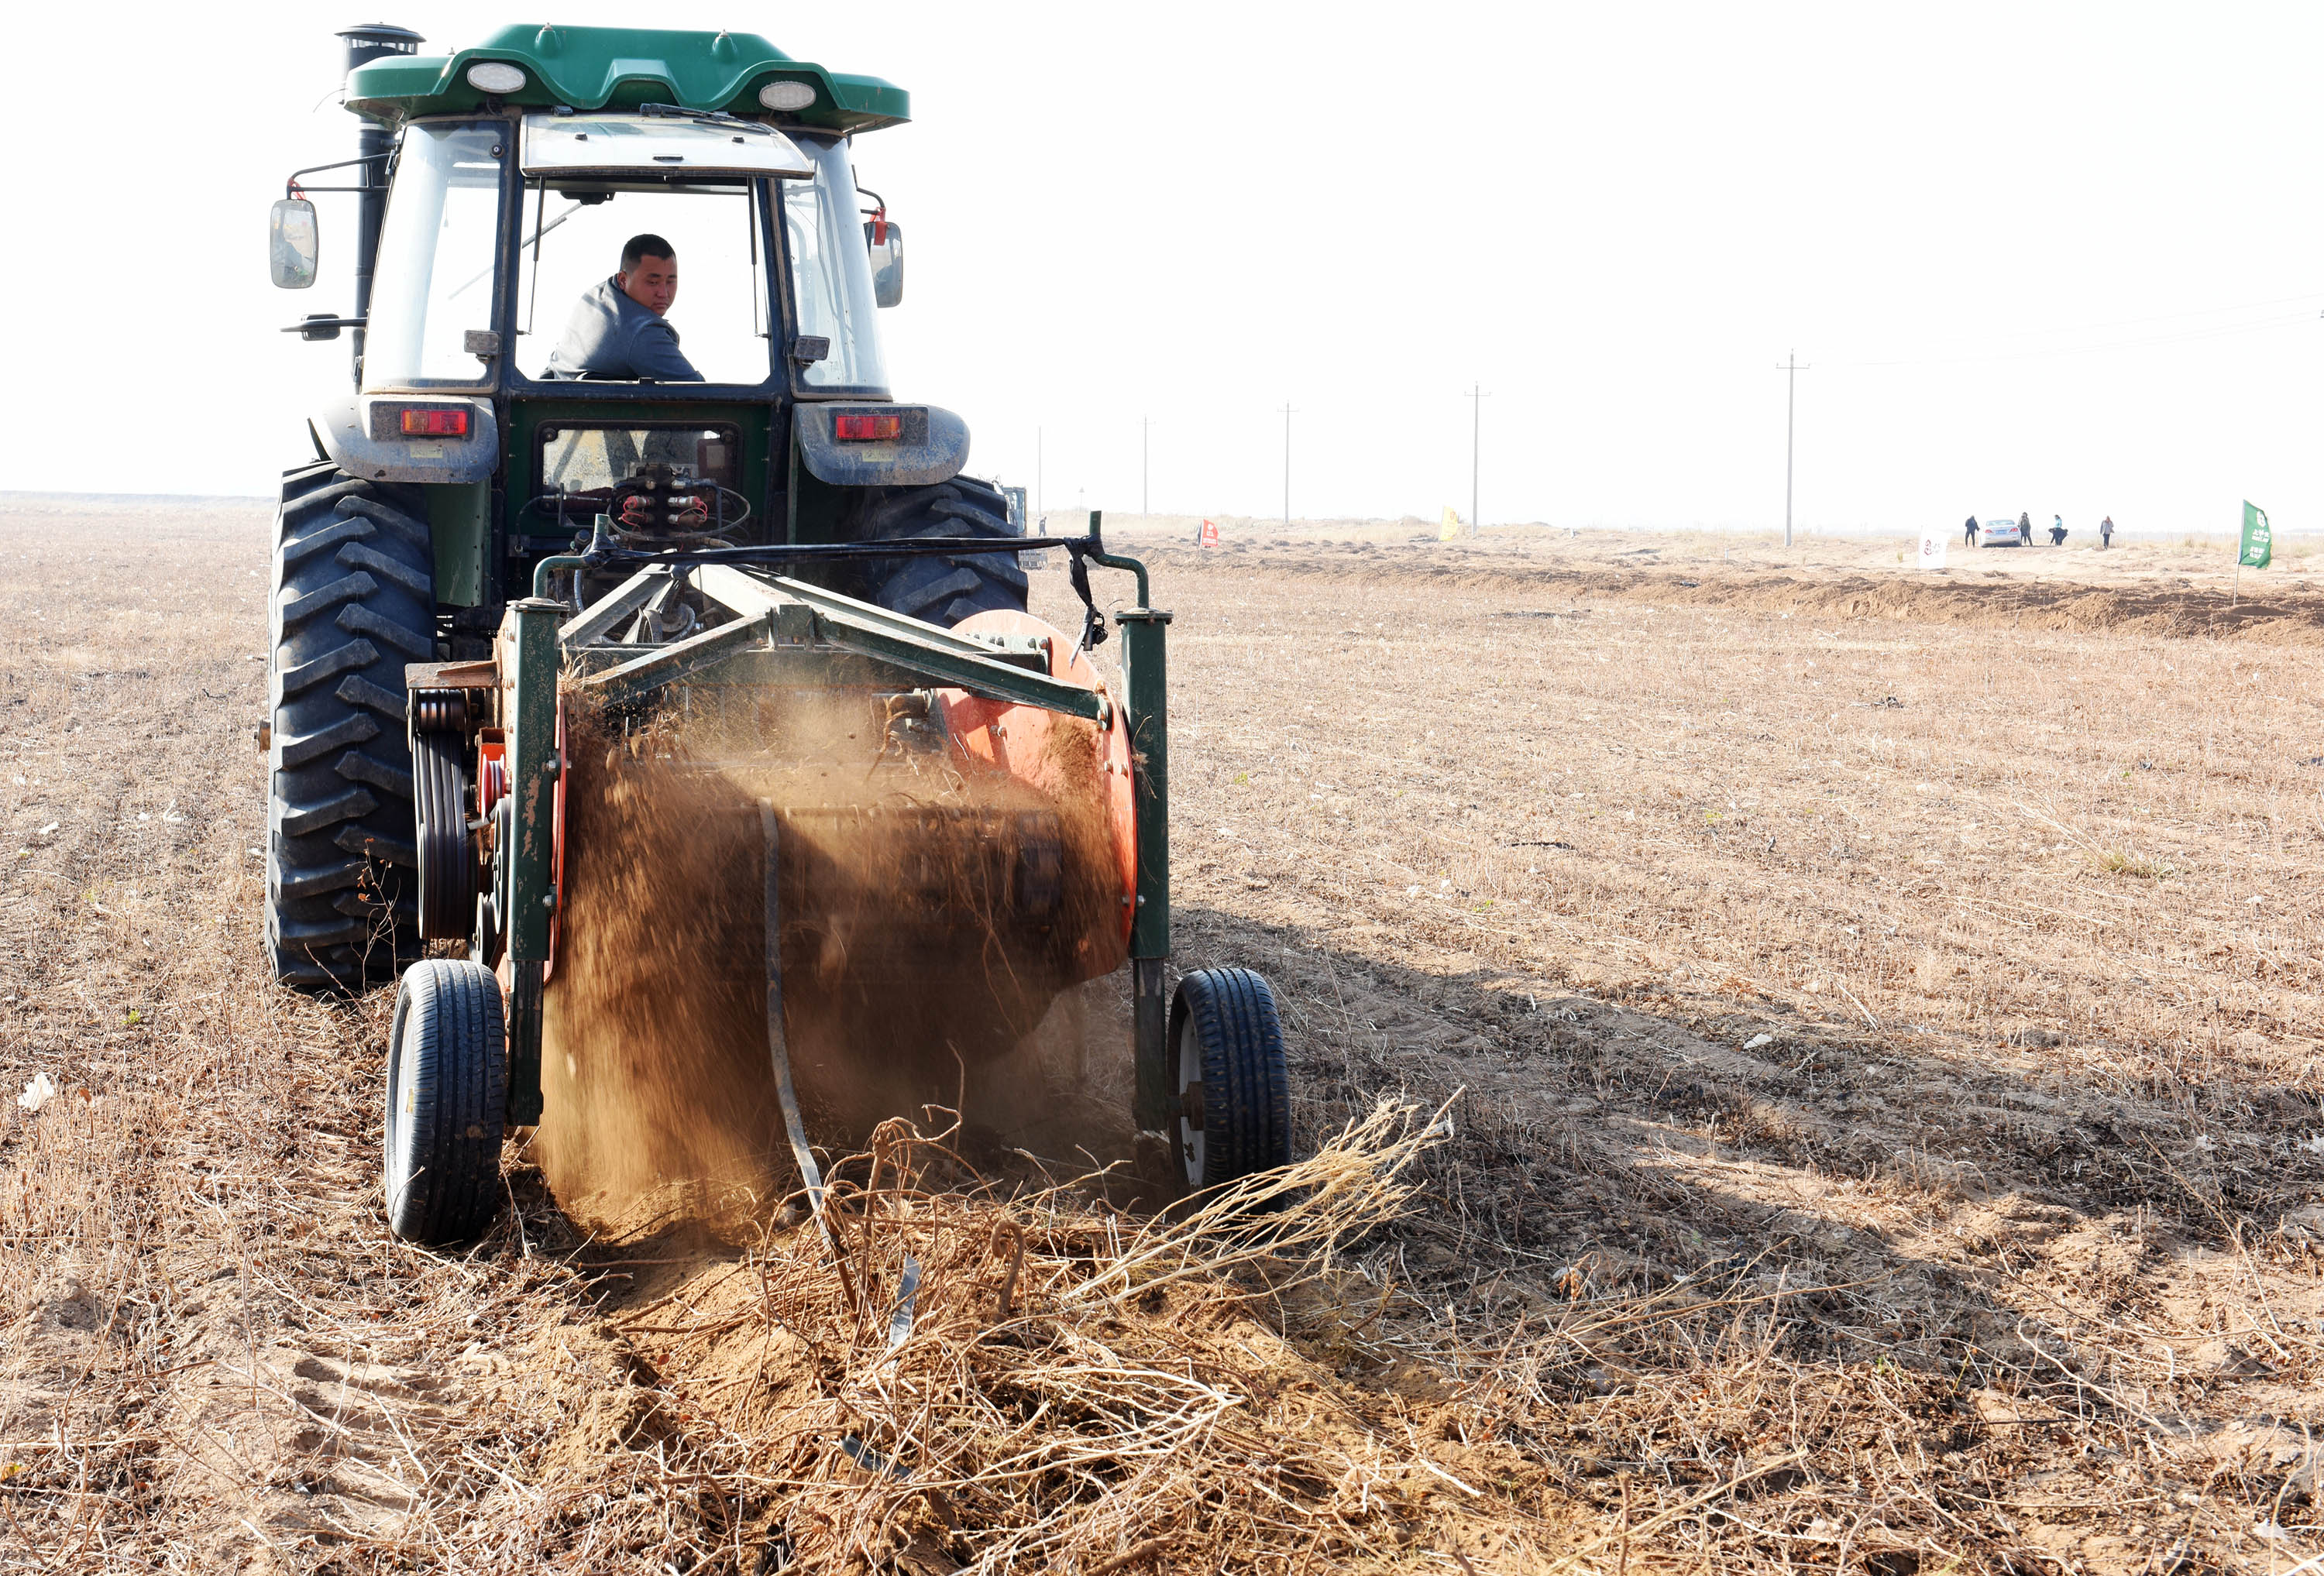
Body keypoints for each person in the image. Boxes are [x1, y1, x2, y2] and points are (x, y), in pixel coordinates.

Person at [545, 235, 703, 382]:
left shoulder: (594, 298)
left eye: (670, 281)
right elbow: (701, 395)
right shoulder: (643, 332)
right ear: (623, 279)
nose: (663, 293)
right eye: (653, 282)